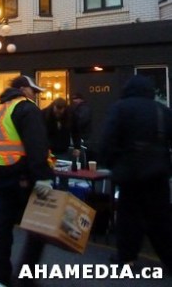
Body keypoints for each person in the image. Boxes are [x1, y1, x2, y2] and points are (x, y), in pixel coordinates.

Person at [0, 75, 54, 286]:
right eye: (33, 91)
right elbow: (36, 144)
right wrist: (43, 177)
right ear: (23, 89)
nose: (35, 95)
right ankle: (26, 278)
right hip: (20, 175)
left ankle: (1, 276)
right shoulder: (27, 108)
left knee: (3, 227)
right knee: (38, 228)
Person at [99, 75, 172, 273]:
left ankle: (127, 258)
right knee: (161, 219)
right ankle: (169, 258)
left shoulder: (120, 108)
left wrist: (112, 163)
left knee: (129, 217)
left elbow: (107, 140)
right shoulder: (162, 110)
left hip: (130, 173)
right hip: (158, 173)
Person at [70, 92, 91, 162]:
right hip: (82, 136)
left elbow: (81, 121)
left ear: (81, 99)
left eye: (76, 99)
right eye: (73, 99)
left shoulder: (83, 109)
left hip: (83, 136)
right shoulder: (81, 108)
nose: (74, 100)